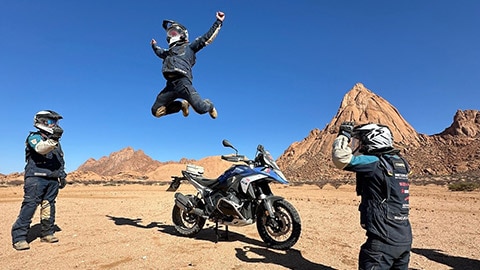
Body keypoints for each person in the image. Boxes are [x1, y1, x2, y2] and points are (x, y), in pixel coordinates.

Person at [332, 122, 412, 270]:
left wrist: (343, 136)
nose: (359, 145)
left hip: (382, 241)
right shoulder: (400, 162)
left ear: (373, 140)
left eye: (361, 141)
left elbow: (341, 158)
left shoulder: (375, 162)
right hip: (403, 237)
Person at [150, 11, 225, 119]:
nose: (172, 35)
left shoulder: (189, 48)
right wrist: (154, 45)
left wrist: (218, 22)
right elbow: (159, 52)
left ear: (182, 34)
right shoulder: (168, 52)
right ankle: (182, 105)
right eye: (170, 33)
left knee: (201, 109)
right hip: (170, 86)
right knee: (156, 111)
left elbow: (207, 38)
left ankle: (210, 105)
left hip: (184, 84)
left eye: (174, 33)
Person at [11, 110, 67, 251]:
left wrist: (62, 175)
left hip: (52, 179)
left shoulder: (55, 143)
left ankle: (47, 233)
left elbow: (60, 159)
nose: (54, 124)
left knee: (49, 206)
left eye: (55, 122)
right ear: (41, 122)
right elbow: (41, 149)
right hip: (36, 177)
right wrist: (53, 139)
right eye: (51, 121)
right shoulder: (34, 137)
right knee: (30, 206)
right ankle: (19, 237)